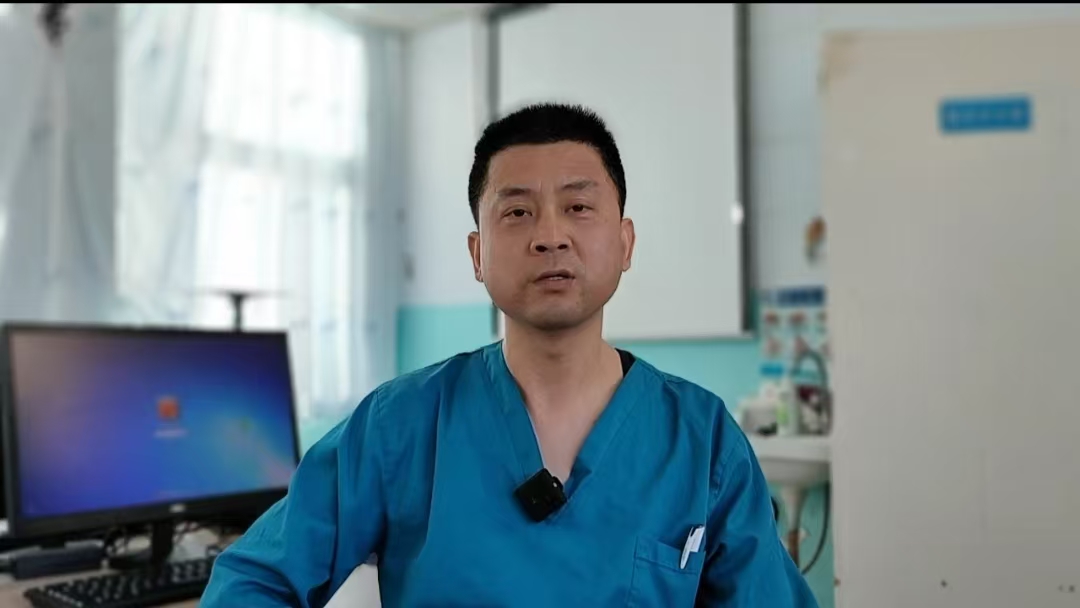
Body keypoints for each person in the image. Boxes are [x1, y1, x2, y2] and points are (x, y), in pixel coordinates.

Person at [200, 103, 818, 607]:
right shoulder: (401, 426)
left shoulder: (701, 441)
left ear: (625, 242)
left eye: (578, 207)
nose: (550, 235)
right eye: (518, 212)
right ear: (477, 254)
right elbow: (252, 582)